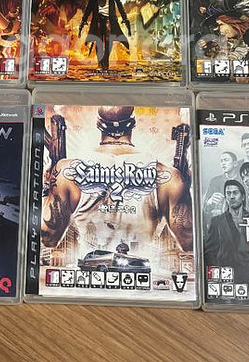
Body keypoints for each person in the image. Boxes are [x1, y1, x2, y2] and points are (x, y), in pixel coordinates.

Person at [41, 106, 193, 253]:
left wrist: (48, 185)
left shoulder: (66, 172)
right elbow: (188, 241)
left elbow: (48, 238)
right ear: (133, 124)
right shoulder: (168, 176)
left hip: (91, 267)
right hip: (142, 267)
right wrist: (186, 186)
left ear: (98, 124)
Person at [79, 0, 132, 71]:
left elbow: (119, 4)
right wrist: (84, 19)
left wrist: (124, 17)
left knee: (108, 40)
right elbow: (90, 6)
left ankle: (105, 62)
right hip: (98, 19)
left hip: (109, 19)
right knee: (98, 40)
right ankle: (100, 63)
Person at [203, 179, 249, 271]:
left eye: (235, 193)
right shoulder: (216, 222)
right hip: (227, 272)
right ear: (225, 197)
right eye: (228, 193)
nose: (232, 197)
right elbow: (209, 252)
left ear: (243, 197)